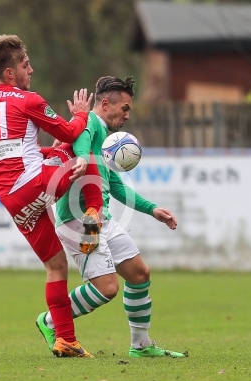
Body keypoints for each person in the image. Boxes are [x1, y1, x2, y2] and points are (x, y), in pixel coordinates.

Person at [36, 76, 188, 358]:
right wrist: (81, 158)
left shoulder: (105, 138)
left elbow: (115, 185)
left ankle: (140, 345)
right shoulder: (90, 124)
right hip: (79, 221)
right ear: (105, 104)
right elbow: (80, 141)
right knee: (106, 288)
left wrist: (151, 209)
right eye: (126, 108)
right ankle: (49, 321)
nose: (128, 115)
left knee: (139, 274)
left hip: (101, 218)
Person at [0, 34, 103, 358]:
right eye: (25, 64)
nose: (30, 70)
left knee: (56, 265)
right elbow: (70, 131)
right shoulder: (27, 100)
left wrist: (54, 150)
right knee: (77, 153)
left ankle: (66, 340)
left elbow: (16, 150)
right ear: (10, 73)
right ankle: (94, 211)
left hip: (11, 197)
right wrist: (80, 113)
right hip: (33, 184)